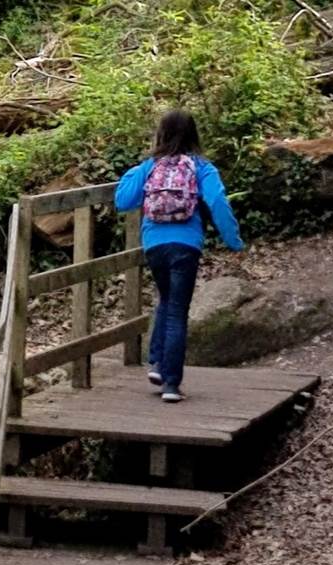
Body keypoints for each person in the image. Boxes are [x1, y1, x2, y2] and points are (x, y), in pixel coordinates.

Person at [115, 109, 245, 403]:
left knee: (166, 299)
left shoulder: (150, 167)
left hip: (154, 245)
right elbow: (217, 203)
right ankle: (171, 384)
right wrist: (233, 241)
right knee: (177, 310)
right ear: (193, 135)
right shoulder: (202, 167)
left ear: (161, 134)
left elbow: (123, 200)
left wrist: (138, 168)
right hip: (186, 245)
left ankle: (158, 365)